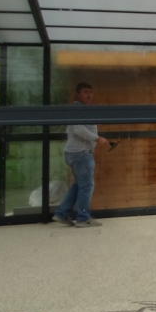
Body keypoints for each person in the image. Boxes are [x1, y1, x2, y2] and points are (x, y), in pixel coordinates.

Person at [52, 82, 110, 228]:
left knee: (79, 185)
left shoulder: (83, 109)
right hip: (80, 154)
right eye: (85, 92)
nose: (89, 95)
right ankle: (83, 218)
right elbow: (78, 130)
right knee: (87, 185)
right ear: (77, 94)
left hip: (78, 153)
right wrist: (97, 139)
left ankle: (61, 213)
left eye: (90, 92)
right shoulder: (77, 109)